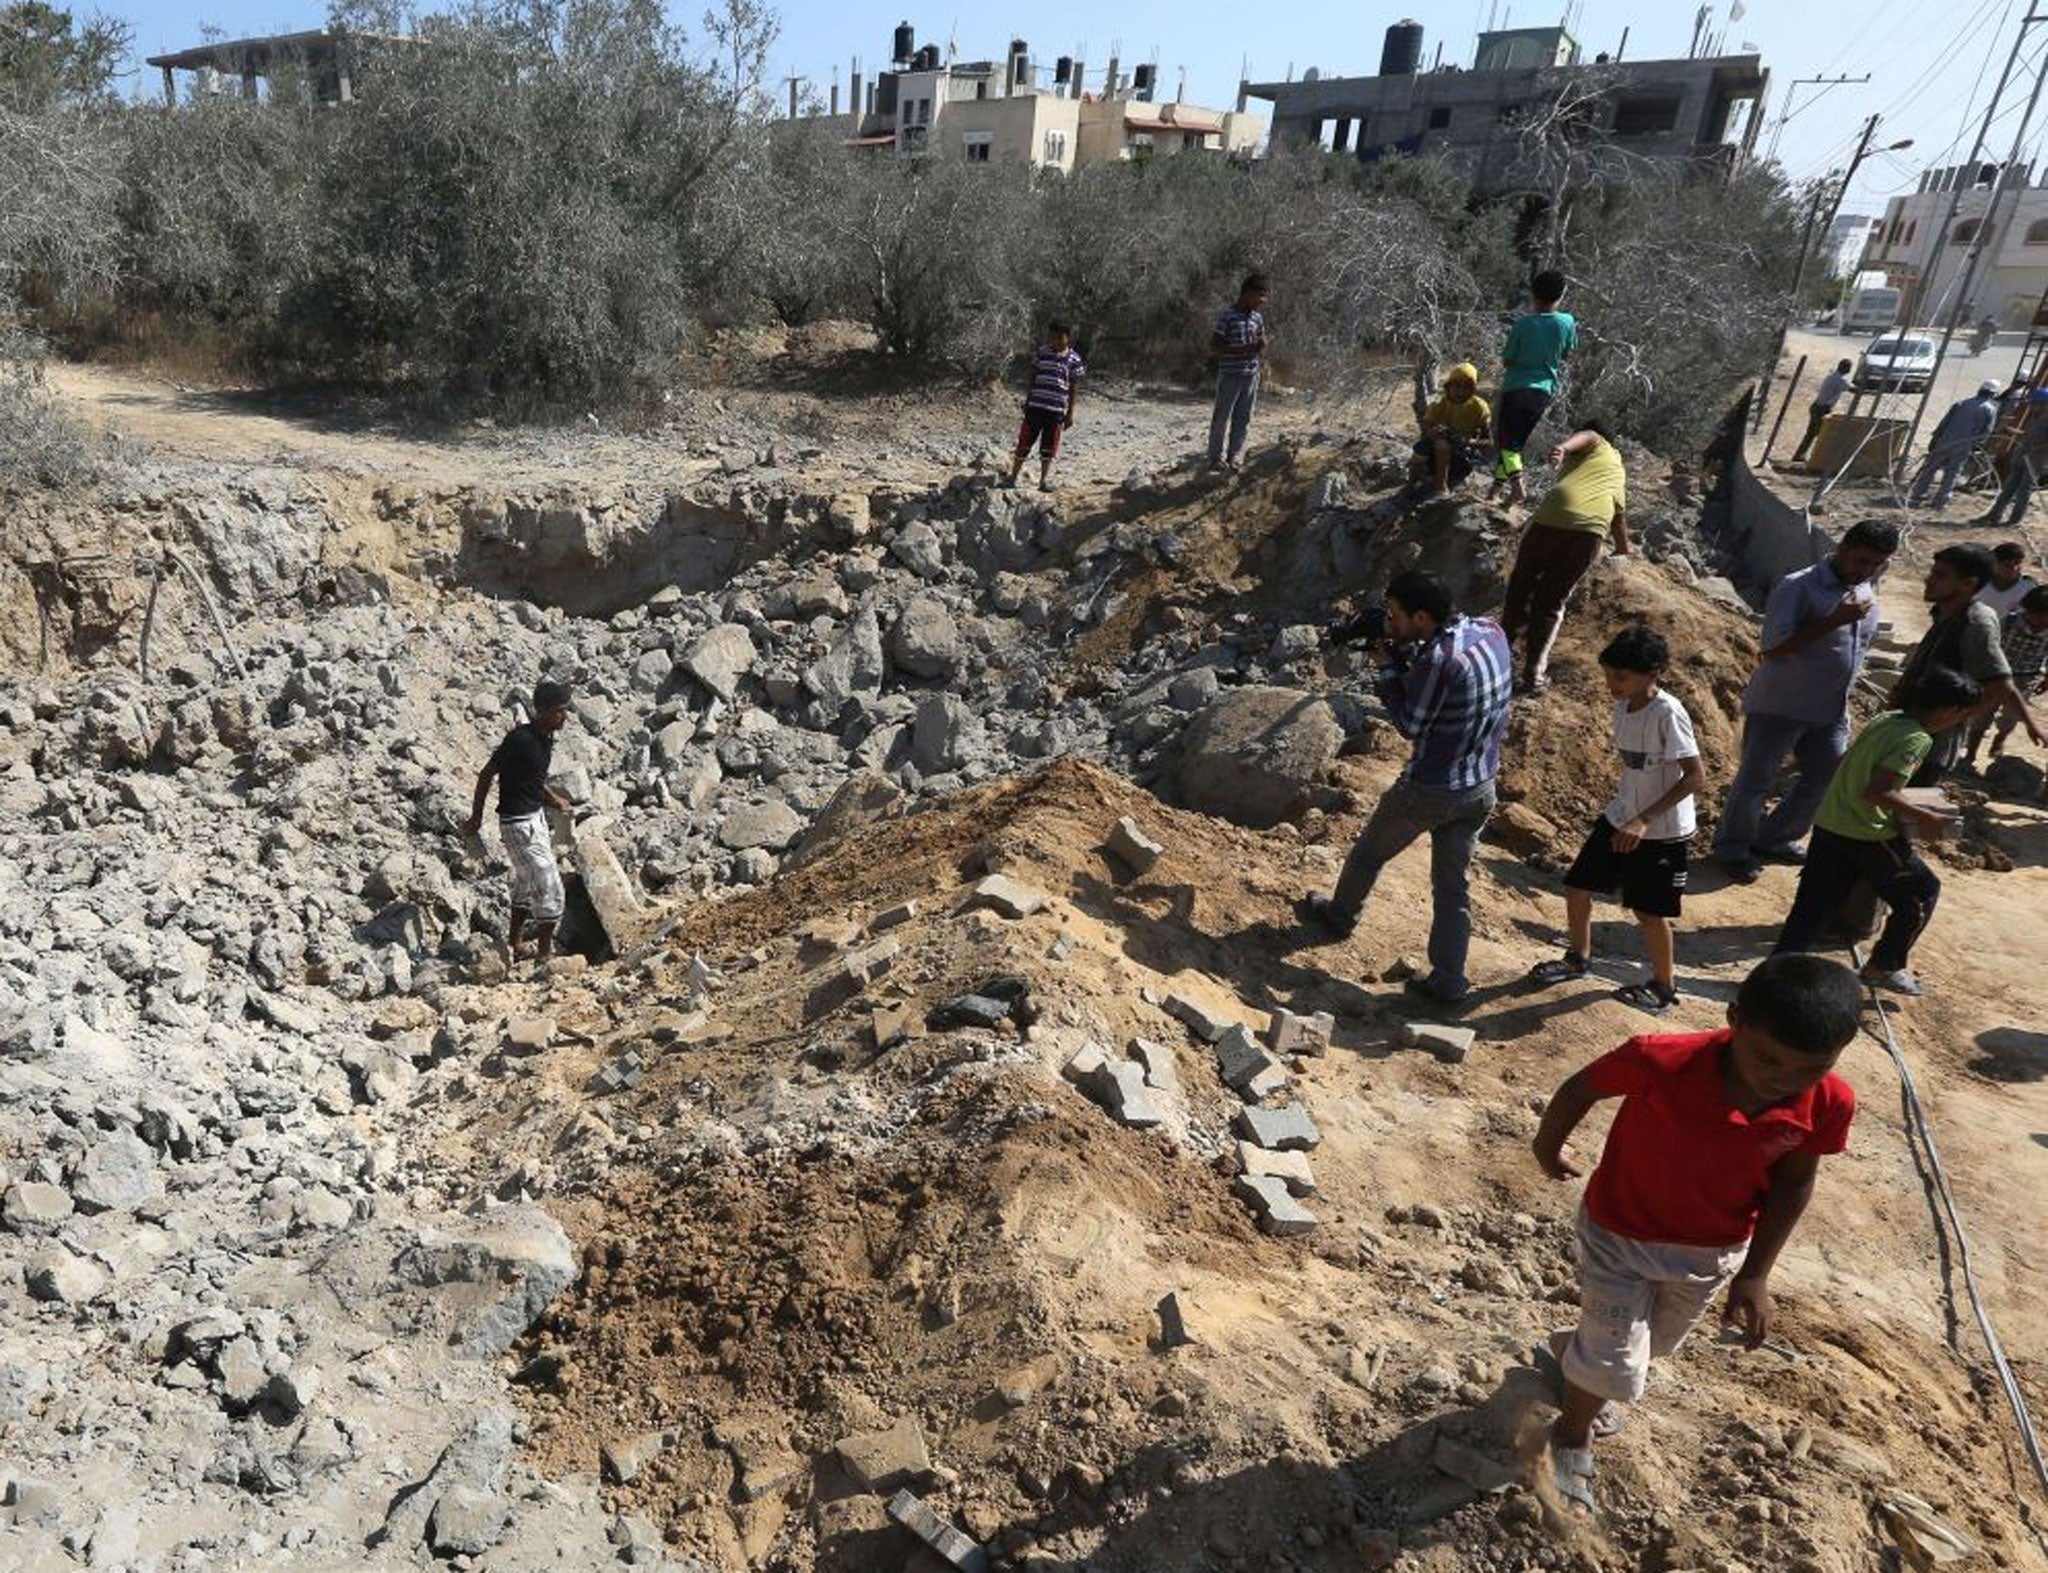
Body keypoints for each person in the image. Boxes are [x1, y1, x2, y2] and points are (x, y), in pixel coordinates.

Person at [1531, 953, 1864, 1518]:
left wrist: (1756, 1274)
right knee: (1615, 1363)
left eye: (1808, 1069)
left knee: (1653, 1345)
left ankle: (1578, 1354)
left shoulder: (1829, 1100)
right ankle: (1570, 1434)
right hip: (1619, 1230)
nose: (1782, 1081)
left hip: (1710, 1251)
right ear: (1734, 1019)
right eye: (1767, 1059)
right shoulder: (1659, 1060)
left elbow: (1794, 1183)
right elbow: (1581, 1087)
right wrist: (1547, 1146)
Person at [1304, 570, 1513, 1006]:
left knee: (1368, 853)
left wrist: (1386, 668)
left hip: (1433, 787)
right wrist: (1405, 658)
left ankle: (1339, 916)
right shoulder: (1489, 631)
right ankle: (1449, 980)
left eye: (1396, 617)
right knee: (1452, 886)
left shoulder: (1440, 662)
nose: (1390, 624)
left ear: (1422, 617)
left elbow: (1410, 723)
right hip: (1482, 784)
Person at [1527, 626, 1704, 1016]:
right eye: (1608, 675)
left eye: (1621, 677)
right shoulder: (1622, 708)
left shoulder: (1668, 713)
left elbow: (1695, 777)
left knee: (1648, 912)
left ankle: (1664, 986)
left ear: (1653, 672)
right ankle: (1578, 958)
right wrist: (1630, 815)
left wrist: (1643, 821)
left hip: (1661, 830)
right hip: (1621, 815)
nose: (1612, 685)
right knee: (1577, 886)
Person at [1773, 668, 1981, 996]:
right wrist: (1925, 816)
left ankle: (1776, 974)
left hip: (1831, 824)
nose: (1957, 723)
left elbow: (1848, 762)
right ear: (1947, 710)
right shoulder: (1917, 739)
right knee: (1921, 894)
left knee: (1812, 905)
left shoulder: (1886, 719)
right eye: (1961, 715)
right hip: (1867, 834)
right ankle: (1883, 967)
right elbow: (1877, 792)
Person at [1711, 521, 1898, 883]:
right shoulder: (1799, 586)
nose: (1866, 570)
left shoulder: (1864, 590)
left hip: (1830, 710)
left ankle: (1774, 838)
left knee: (1825, 777)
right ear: (1842, 546)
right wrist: (1833, 621)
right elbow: (1774, 648)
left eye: (1875, 565)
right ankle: (1732, 849)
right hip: (1780, 704)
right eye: (1861, 560)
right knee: (1755, 782)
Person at [1891, 544, 2047, 783]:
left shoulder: (1976, 622)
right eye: (1932, 572)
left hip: (1929, 746)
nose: (1929, 580)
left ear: (1968, 584)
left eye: (1940, 575)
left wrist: (1945, 721)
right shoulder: (1946, 612)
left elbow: (2000, 685)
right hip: (1911, 731)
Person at [1500, 424, 1630, 695]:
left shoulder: (1600, 444)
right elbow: (1618, 515)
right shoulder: (1615, 469)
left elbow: (1589, 435)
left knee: (1520, 587)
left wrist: (1563, 447)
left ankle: (1498, 659)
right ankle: (1533, 675)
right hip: (1587, 531)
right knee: (1550, 601)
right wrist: (1623, 548)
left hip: (1551, 516)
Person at [466, 681, 575, 964]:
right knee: (550, 885)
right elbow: (486, 774)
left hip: (533, 819)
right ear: (543, 710)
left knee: (526, 882)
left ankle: (515, 943)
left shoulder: (544, 739)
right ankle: (544, 956)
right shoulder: (521, 740)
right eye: (560, 711)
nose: (565, 716)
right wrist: (476, 817)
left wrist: (555, 801)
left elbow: (533, 780)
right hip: (517, 823)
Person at [1488, 269, 1578, 507]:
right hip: (1543, 391)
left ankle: (1517, 488)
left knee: (1507, 443)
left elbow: (1508, 359)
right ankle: (1494, 492)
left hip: (1516, 388)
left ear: (1533, 294)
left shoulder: (1523, 324)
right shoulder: (1567, 322)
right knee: (1514, 444)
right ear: (1562, 294)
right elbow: (1568, 351)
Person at [1963, 584, 2048, 768]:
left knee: (2012, 716)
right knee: (1982, 713)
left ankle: (2000, 738)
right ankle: (1970, 753)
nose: (2043, 620)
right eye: (2040, 615)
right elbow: (1989, 644)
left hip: (2025, 678)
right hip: (1995, 675)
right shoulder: (2009, 621)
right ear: (2029, 610)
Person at [1005, 319, 1084, 493]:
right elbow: (1032, 377)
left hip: (1055, 411)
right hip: (1035, 407)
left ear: (1067, 338)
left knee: (1049, 447)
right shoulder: (1042, 353)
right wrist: (1028, 400)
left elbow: (1073, 387)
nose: (1054, 341)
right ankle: (1012, 477)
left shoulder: (1074, 359)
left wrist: (1070, 413)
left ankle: (1043, 481)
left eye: (1059, 338)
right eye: (1052, 337)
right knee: (1024, 442)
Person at [1208, 274, 1268, 474]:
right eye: (1260, 296)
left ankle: (1235, 456)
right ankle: (1215, 457)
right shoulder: (1228, 315)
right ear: (1248, 293)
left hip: (1251, 374)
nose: (1262, 301)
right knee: (1222, 417)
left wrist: (1260, 345)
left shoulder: (1257, 317)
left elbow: (1259, 339)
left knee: (1243, 417)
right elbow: (1215, 344)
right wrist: (1240, 349)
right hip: (1230, 374)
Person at [1907, 380, 2000, 510]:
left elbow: (1944, 423)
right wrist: (1977, 445)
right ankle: (1941, 501)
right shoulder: (1989, 410)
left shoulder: (1961, 404)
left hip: (1944, 442)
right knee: (1952, 473)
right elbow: (1987, 431)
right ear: (1993, 394)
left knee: (1930, 469)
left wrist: (1935, 439)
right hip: (1963, 446)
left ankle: (1917, 497)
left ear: (1980, 390)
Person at [1409, 362, 1492, 499]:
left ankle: (1440, 488)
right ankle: (1410, 484)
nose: (1461, 391)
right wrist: (1434, 431)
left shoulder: (1479, 407)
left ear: (1473, 389)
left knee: (1443, 445)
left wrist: (1468, 441)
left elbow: (1488, 441)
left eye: (1467, 387)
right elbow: (1426, 427)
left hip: (1461, 459)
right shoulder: (1439, 404)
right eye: (1457, 386)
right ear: (1449, 386)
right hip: (1433, 456)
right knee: (1427, 448)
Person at [1982, 395, 2048, 528]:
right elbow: (2027, 435)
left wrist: (2036, 449)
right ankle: (1994, 514)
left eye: (2034, 404)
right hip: (2021, 458)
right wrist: (2011, 431)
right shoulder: (2035, 418)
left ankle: (2014, 521)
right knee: (2008, 487)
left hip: (2034, 462)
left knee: (2023, 491)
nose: (2031, 407)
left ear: (2044, 404)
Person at [1789, 358, 1854, 467]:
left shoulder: (1831, 376)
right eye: (1849, 368)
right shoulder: (1839, 379)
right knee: (1822, 435)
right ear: (1845, 368)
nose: (1850, 370)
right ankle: (1815, 460)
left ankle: (1799, 455)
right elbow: (1853, 389)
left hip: (1816, 407)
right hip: (1822, 409)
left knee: (1810, 434)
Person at [1979, 540, 2037, 617]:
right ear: (1995, 564)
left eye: (2017, 563)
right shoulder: (1981, 583)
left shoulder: (2028, 586)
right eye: (2007, 565)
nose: (2014, 568)